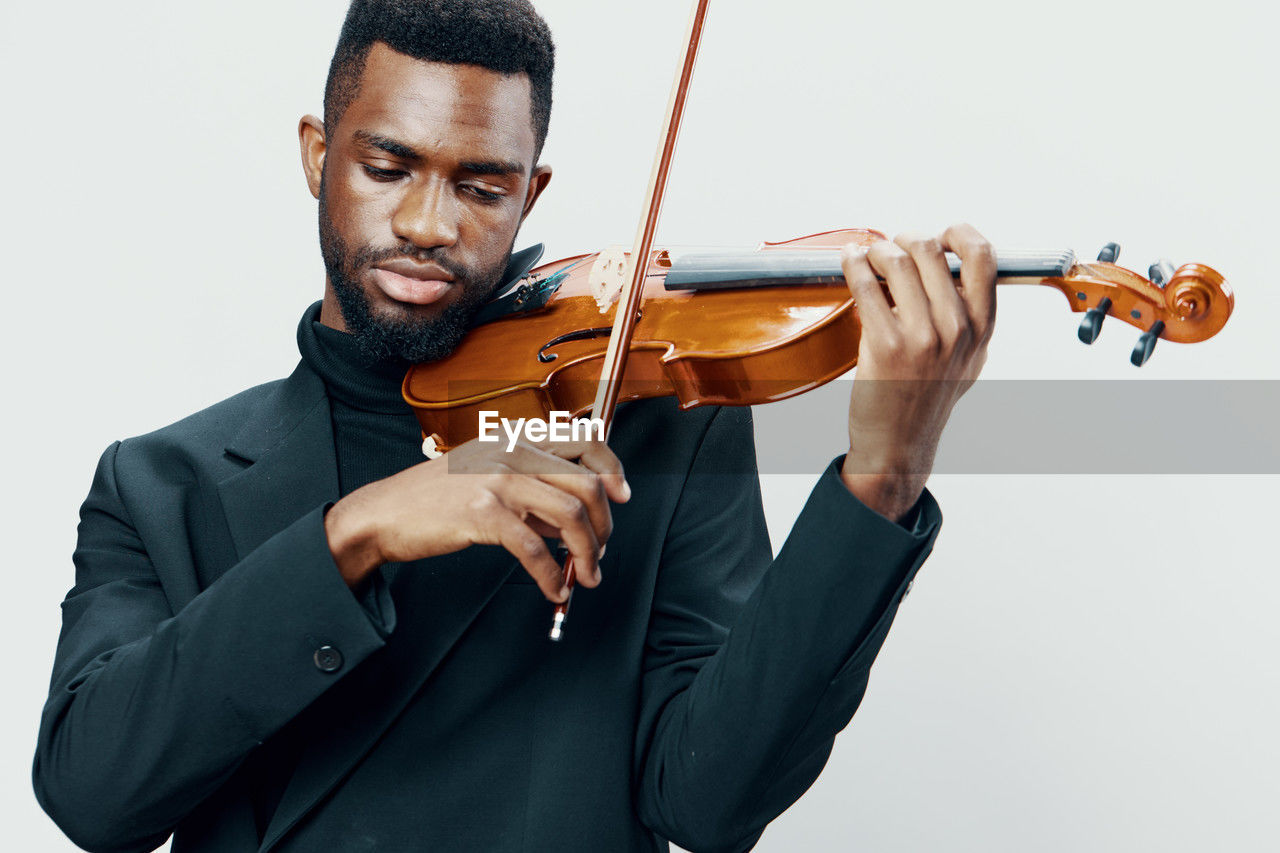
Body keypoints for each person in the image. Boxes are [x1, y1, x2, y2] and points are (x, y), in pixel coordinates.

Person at [33, 1, 996, 850]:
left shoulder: (654, 432)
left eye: (480, 186)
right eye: (387, 166)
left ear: (530, 193)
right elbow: (91, 792)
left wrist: (886, 474)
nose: (426, 221)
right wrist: (357, 532)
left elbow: (709, 800)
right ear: (319, 155)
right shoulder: (161, 484)